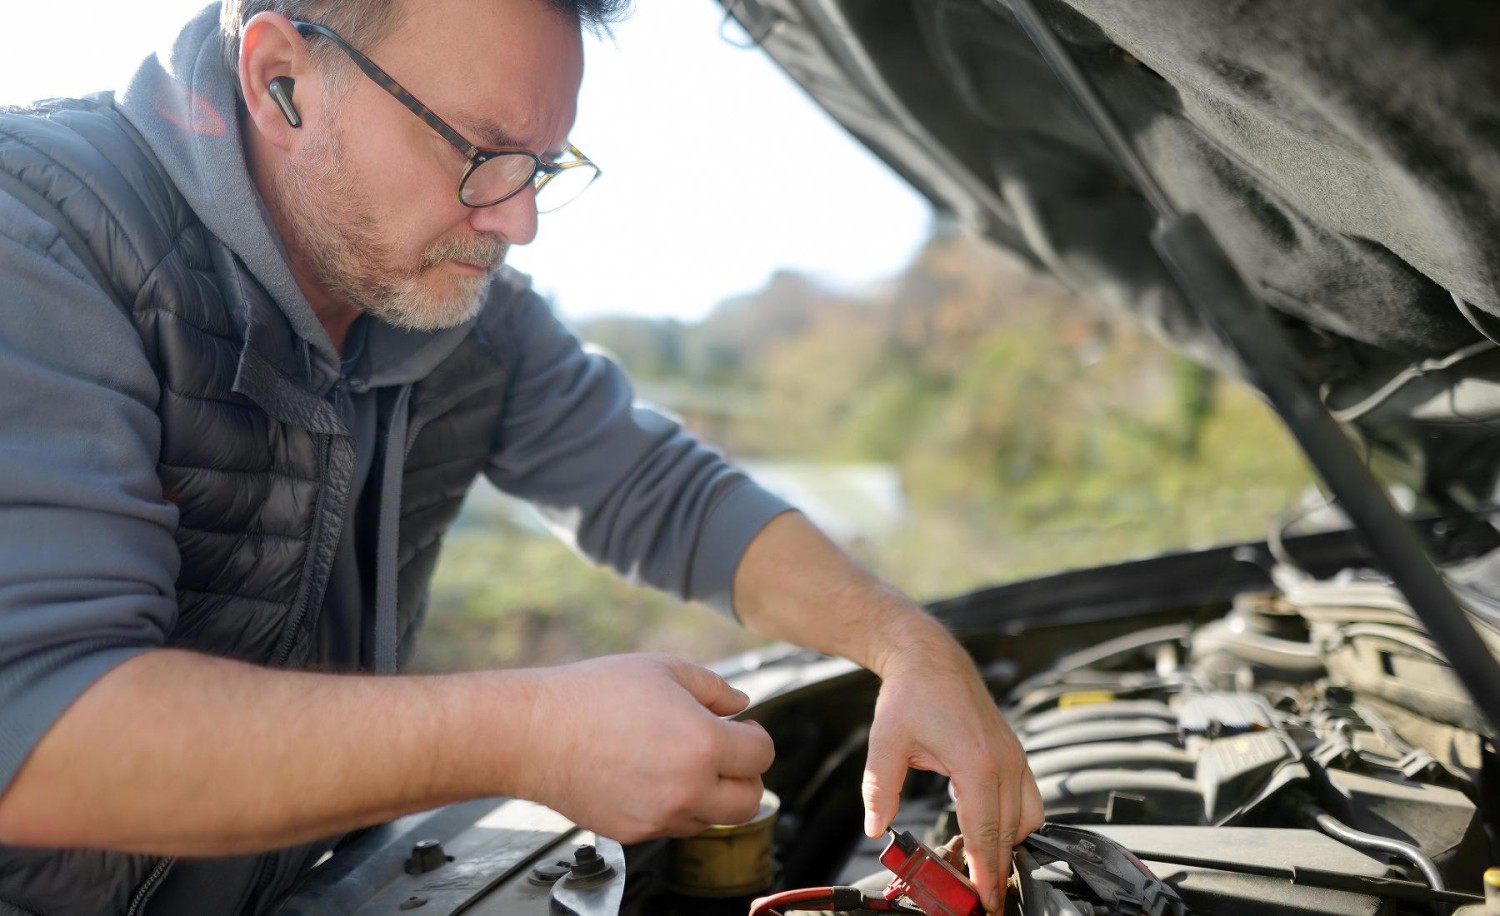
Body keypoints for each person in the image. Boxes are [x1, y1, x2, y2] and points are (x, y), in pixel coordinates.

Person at [0, 0, 1043, 912]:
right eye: (479, 152)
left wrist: (907, 643)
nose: (520, 219)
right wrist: (531, 732)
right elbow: (38, 734)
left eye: (542, 165)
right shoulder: (39, 237)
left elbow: (661, 490)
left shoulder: (455, 309)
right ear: (284, 81)